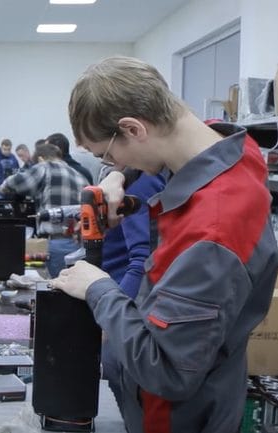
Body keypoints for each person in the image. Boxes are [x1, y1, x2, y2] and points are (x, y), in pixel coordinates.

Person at [51, 56, 278, 433]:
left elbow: (169, 372)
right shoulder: (228, 147)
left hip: (177, 418)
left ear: (133, 128)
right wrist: (116, 176)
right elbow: (172, 141)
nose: (110, 163)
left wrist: (98, 290)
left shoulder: (211, 233)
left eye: (107, 155)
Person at [98, 169, 166, 416]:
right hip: (125, 300)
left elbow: (140, 261)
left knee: (120, 398)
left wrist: (109, 317)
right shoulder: (133, 179)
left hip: (126, 302)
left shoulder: (140, 188)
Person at [0, 143, 89, 277]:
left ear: (40, 159)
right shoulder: (80, 176)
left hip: (56, 242)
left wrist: (0, 190)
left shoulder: (45, 167)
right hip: (79, 244)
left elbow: (14, 183)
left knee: (56, 289)